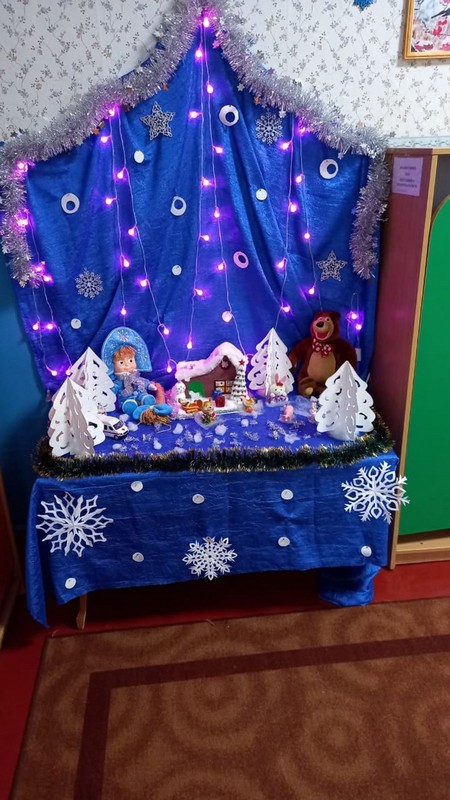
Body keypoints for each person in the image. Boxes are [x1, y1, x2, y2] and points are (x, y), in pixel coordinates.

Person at [112, 344, 169, 416]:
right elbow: (114, 388)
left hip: (140, 394)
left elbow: (143, 381)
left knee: (143, 395)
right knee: (127, 402)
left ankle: (145, 399)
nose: (127, 365)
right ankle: (129, 406)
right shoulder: (119, 382)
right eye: (121, 362)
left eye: (130, 360)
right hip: (126, 398)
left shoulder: (136, 376)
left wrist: (149, 385)